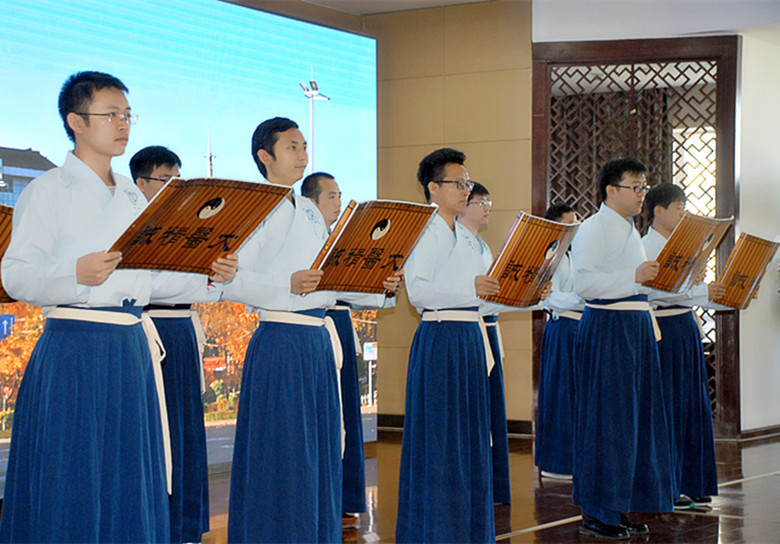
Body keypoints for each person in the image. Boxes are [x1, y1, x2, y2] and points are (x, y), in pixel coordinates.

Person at [0, 71, 236, 543]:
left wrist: (209, 278)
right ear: (76, 122)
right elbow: (15, 275)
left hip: (131, 346)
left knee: (130, 469)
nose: (123, 124)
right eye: (111, 114)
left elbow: (146, 279)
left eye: (127, 114)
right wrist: (74, 275)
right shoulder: (49, 190)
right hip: (76, 348)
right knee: (76, 470)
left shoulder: (132, 195)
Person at [223, 118, 400, 543]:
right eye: (290, 147)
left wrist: (378, 289)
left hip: (317, 341)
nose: (302, 154)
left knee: (319, 449)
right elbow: (229, 280)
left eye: (303, 146)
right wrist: (284, 285)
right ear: (265, 157)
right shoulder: (252, 208)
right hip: (281, 340)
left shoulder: (307, 211)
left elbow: (328, 280)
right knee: (284, 451)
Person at [396, 148, 548, 543]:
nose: (466, 190)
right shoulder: (425, 230)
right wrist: (470, 288)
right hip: (442, 337)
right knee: (444, 442)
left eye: (467, 184)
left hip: (466, 336)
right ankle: (437, 529)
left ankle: (464, 527)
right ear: (433, 188)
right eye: (458, 184)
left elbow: (482, 298)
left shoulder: (462, 238)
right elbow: (419, 293)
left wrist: (529, 295)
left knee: (467, 440)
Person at [570, 157, 674, 540]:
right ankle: (598, 511)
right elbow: (584, 285)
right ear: (610, 190)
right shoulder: (593, 228)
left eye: (645, 186)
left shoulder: (629, 229)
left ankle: (619, 504)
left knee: (633, 421)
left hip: (635, 327)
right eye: (635, 186)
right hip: (609, 327)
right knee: (608, 421)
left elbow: (638, 284)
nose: (642, 194)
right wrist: (633, 276)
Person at [129, 145, 210, 543]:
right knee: (156, 432)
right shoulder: (127, 223)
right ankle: (157, 526)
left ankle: (186, 525)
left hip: (181, 331)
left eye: (179, 180)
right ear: (141, 182)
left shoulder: (185, 224)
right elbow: (145, 285)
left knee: (185, 431)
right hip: (149, 330)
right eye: (166, 180)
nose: (174, 188)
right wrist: (199, 279)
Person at [642, 182, 727, 508]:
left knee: (693, 404)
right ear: (658, 211)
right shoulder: (646, 247)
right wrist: (701, 290)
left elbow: (686, 288)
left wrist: (709, 291)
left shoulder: (683, 246)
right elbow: (651, 292)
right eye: (679, 208)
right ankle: (670, 483)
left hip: (685, 326)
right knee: (669, 406)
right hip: (661, 328)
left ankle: (694, 481)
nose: (684, 214)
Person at [302, 171, 378, 528]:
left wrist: (381, 285)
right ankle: (325, 494)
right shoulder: (304, 236)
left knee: (347, 411)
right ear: (311, 200)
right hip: (316, 324)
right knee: (325, 417)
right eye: (330, 196)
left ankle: (346, 495)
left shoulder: (340, 239)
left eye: (340, 194)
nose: (338, 201)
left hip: (340, 324)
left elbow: (349, 288)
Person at [456, 181, 511, 504]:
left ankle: (492, 485)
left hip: (486, 327)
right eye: (479, 200)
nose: (486, 206)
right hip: (469, 328)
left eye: (488, 200)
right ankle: (478, 485)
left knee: (490, 412)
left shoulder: (481, 244)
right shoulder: (457, 239)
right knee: (475, 414)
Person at [535, 202, 582, 480]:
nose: (574, 229)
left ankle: (574, 459)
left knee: (576, 395)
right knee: (561, 395)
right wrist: (584, 299)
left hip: (578, 327)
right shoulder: (548, 252)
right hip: (562, 327)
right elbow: (548, 296)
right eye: (568, 224)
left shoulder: (574, 253)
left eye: (575, 224)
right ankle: (556, 464)